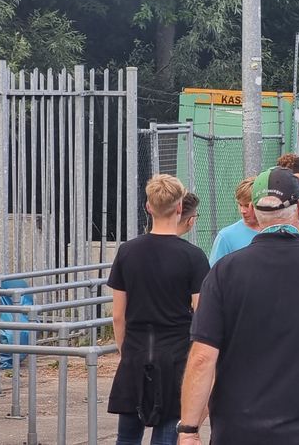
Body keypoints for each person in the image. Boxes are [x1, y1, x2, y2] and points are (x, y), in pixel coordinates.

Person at [178, 167, 299, 444]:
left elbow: (202, 358)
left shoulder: (224, 272)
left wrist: (188, 429)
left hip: (239, 431)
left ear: (256, 214)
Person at [107, 175, 210, 445]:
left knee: (126, 437)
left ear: (148, 207)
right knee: (167, 433)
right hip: (175, 356)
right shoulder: (194, 256)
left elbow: (118, 314)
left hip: (136, 352)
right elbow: (202, 314)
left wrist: (125, 350)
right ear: (179, 208)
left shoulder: (127, 251)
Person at [208, 178, 260, 266]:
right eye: (240, 204)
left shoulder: (276, 231)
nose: (242, 210)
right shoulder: (226, 237)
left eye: (247, 205)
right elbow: (214, 274)